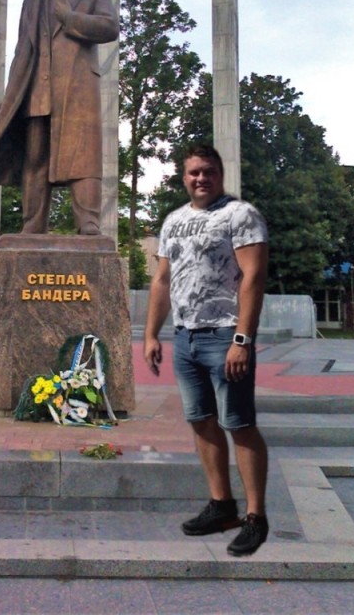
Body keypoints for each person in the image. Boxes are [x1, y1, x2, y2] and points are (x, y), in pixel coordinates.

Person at [143, 144, 270, 557]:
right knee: (200, 421)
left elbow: (253, 277)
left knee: (239, 423)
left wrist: (242, 339)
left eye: (209, 172)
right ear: (184, 177)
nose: (201, 179)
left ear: (220, 173)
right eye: (194, 172)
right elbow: (162, 281)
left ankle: (255, 517)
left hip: (224, 336)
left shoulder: (241, 215)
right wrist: (150, 335)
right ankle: (222, 506)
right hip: (186, 337)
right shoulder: (174, 221)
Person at [0, 0, 119, 235]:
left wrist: (70, 18)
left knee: (83, 155)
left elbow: (109, 28)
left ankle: (88, 221)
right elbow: (22, 50)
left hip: (78, 88)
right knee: (35, 157)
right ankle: (33, 224)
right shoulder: (33, 1)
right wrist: (12, 93)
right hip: (38, 87)